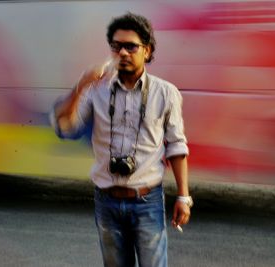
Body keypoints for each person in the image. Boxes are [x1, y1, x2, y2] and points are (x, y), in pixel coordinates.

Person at [50, 12, 192, 267]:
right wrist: (81, 85)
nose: (123, 53)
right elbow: (64, 127)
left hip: (147, 201)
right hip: (106, 200)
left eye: (131, 46)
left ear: (147, 51)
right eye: (116, 47)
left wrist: (183, 197)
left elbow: (177, 146)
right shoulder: (95, 89)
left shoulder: (166, 93)